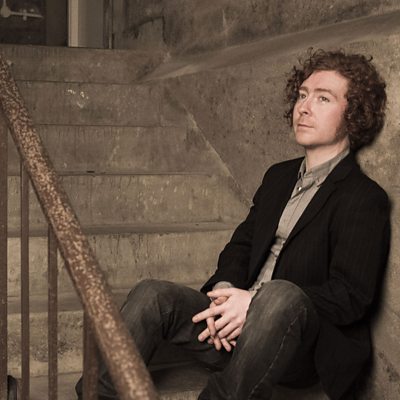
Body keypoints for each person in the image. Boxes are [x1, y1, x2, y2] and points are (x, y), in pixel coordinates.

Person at [76, 49, 391, 400]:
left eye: (323, 98)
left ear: (354, 114)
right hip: (233, 328)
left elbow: (350, 296)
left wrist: (254, 303)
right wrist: (225, 293)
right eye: (302, 95)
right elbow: (242, 246)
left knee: (280, 295)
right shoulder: (279, 176)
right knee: (152, 294)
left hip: (298, 348)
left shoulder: (363, 197)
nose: (304, 107)